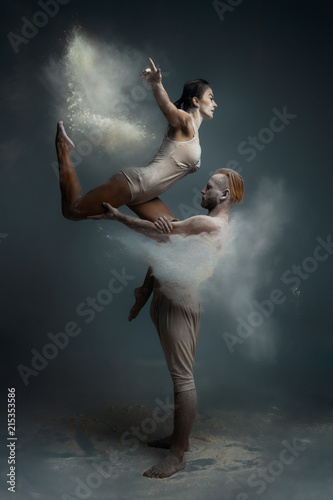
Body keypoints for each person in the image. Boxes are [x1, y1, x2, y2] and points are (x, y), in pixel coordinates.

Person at [88, 168, 245, 478]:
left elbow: (160, 235)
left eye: (208, 187)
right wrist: (144, 294)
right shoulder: (201, 224)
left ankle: (178, 455)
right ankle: (178, 440)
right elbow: (166, 248)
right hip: (166, 299)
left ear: (224, 195)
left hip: (179, 304)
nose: (202, 191)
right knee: (178, 376)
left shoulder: (209, 224)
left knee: (182, 378)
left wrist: (117, 217)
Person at [55, 58, 217, 223]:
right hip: (133, 184)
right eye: (211, 98)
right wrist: (156, 84)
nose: (215, 104)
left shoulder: (193, 132)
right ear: (196, 101)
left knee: (172, 236)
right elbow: (167, 107)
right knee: (71, 211)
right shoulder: (186, 120)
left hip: (147, 196)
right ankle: (63, 147)